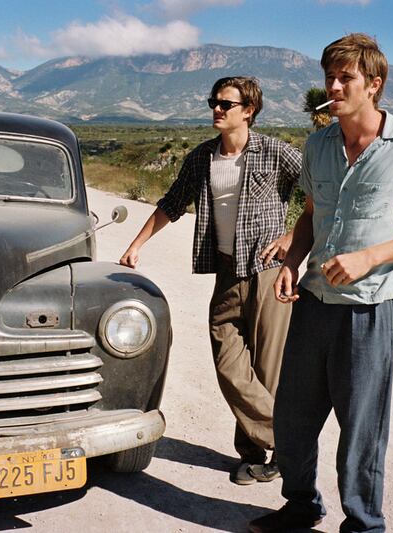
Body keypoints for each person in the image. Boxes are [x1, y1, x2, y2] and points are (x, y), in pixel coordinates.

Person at [249, 34, 393, 533]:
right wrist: (292, 260)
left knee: (361, 431)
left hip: (371, 309)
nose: (334, 87)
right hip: (314, 301)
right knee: (293, 419)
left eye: (346, 78)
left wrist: (371, 256)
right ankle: (301, 505)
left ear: (374, 84)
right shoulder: (318, 144)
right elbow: (311, 214)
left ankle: (364, 525)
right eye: (329, 77)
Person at [119, 76, 303, 485]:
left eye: (226, 104)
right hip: (226, 271)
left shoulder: (275, 152)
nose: (216, 109)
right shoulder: (202, 157)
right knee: (229, 364)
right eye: (213, 102)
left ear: (249, 110)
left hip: (268, 271)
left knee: (267, 369)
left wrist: (292, 237)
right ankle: (288, 440)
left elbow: (321, 193)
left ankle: (256, 456)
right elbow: (172, 202)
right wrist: (137, 244)